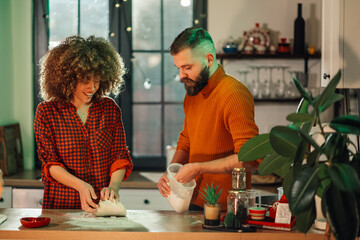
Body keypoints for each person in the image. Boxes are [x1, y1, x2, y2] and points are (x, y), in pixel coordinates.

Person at [158, 27, 260, 211]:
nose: (182, 76)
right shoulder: (193, 94)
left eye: (187, 67)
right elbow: (186, 143)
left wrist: (198, 168)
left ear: (209, 60)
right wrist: (170, 172)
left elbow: (251, 159)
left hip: (228, 210)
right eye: (179, 68)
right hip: (193, 203)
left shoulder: (233, 94)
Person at [34, 35, 133, 213]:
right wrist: (80, 185)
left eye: (97, 81)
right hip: (60, 207)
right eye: (85, 80)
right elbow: (51, 164)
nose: (92, 88)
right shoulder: (47, 112)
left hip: (100, 206)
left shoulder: (109, 109)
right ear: (68, 78)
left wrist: (113, 187)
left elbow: (119, 155)